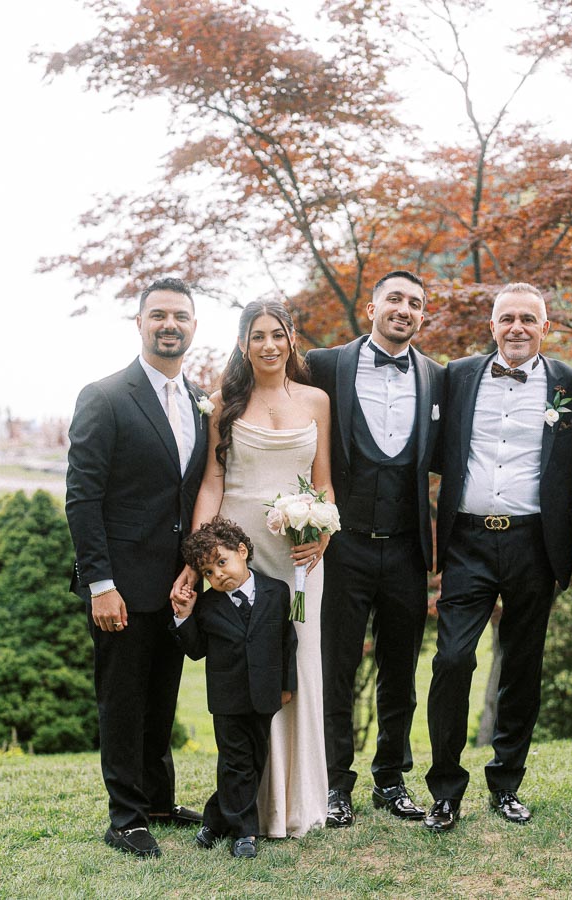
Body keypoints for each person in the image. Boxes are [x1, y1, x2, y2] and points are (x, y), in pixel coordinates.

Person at [423, 282, 572, 832]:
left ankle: (506, 784)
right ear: (492, 326)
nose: (517, 328)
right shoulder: (458, 374)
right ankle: (444, 790)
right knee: (452, 660)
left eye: (528, 319)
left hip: (534, 543)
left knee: (521, 666)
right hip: (467, 540)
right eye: (506, 318)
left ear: (546, 327)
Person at [65, 276, 209, 858]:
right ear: (140, 323)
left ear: (194, 327)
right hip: (120, 585)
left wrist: (195, 570)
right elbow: (82, 496)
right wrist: (101, 582)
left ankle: (155, 799)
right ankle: (124, 817)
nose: (169, 324)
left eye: (180, 315)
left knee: (162, 698)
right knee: (122, 702)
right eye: (158, 316)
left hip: (175, 585)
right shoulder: (103, 396)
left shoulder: (200, 399)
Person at [178, 299, 333, 838]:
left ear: (292, 339)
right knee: (246, 671)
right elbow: (211, 485)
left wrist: (323, 535)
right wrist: (201, 561)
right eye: (257, 336)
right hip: (238, 553)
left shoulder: (316, 401)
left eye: (278, 334)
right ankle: (248, 806)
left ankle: (294, 803)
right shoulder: (223, 403)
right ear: (243, 344)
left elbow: (324, 480)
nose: (269, 344)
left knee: (300, 669)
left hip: (297, 556)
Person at [303, 270, 444, 828]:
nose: (404, 309)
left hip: (408, 545)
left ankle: (391, 777)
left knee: (401, 670)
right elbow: (269, 396)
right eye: (395, 299)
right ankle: (336, 782)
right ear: (371, 306)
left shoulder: (436, 376)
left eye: (415, 302)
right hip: (342, 545)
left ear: (421, 315)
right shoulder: (324, 365)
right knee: (335, 665)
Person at [172, 517, 297, 860]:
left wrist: (287, 686)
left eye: (222, 563)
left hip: (265, 693)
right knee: (236, 761)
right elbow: (196, 650)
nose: (218, 576)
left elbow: (288, 642)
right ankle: (245, 833)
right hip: (227, 698)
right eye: (209, 572)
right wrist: (183, 616)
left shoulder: (277, 592)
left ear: (242, 551)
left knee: (253, 762)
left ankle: (214, 821)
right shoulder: (208, 605)